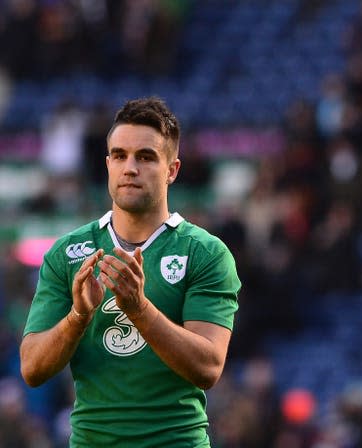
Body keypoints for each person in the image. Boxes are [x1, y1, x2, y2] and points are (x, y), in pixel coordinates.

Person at [20, 97, 241, 447]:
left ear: (173, 169)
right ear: (107, 164)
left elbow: (208, 367)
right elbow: (32, 368)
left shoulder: (205, 253)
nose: (130, 167)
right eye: (120, 155)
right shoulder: (66, 253)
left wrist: (139, 309)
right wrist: (78, 316)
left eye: (146, 157)